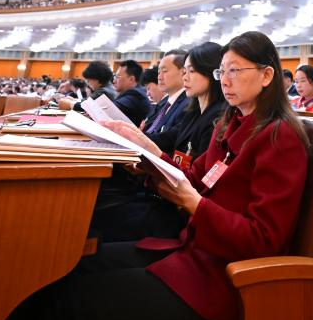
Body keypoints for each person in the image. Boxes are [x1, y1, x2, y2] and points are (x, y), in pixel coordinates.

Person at [7, 31, 310, 320]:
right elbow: (193, 178)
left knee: (70, 301)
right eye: (222, 71)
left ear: (266, 75)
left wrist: (194, 203)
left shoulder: (279, 138)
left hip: (218, 279)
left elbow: (263, 239)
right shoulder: (229, 124)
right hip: (189, 251)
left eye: (235, 71)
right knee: (67, 269)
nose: (225, 80)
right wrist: (149, 151)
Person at [92, 43, 228, 242]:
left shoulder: (217, 119)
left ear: (212, 73)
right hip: (163, 192)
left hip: (177, 208)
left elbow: (196, 180)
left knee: (102, 220)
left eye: (192, 71)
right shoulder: (193, 111)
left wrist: (146, 154)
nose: (185, 77)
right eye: (184, 71)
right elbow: (169, 141)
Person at [143, 50, 190, 135]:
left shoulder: (188, 105)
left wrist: (138, 136)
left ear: (183, 72)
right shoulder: (165, 103)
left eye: (164, 71)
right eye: (159, 72)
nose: (159, 77)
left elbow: (170, 139)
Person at [112, 60, 152, 124]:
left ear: (131, 79)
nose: (114, 81)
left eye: (117, 77)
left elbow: (109, 108)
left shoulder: (136, 95)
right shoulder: (137, 91)